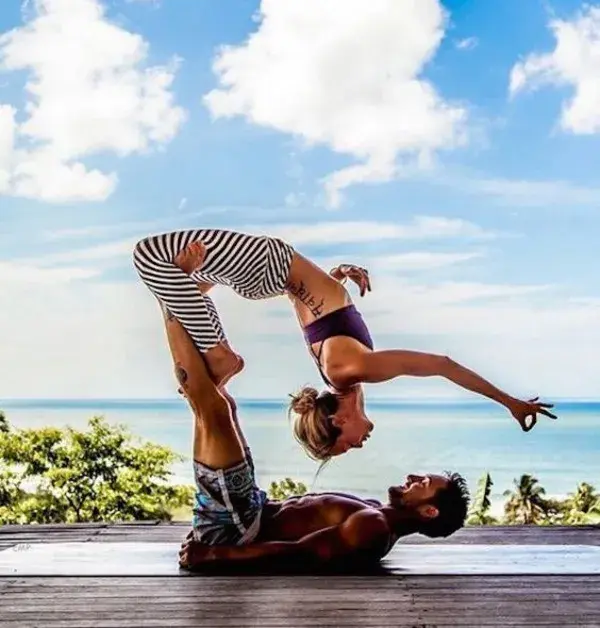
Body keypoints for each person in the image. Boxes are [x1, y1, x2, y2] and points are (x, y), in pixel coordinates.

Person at [133, 228, 557, 464]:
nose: (356, 446)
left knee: (149, 257)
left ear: (338, 423)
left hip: (267, 264)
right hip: (266, 272)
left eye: (343, 446)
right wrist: (333, 278)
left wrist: (508, 402)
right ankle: (211, 343)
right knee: (172, 276)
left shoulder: (347, 371)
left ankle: (219, 355)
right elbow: (308, 299)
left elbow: (442, 364)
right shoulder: (336, 371)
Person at [156, 296, 470, 571]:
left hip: (239, 529)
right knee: (220, 406)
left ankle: (170, 299)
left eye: (423, 484)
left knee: (214, 409)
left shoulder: (374, 528)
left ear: (429, 511)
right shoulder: (374, 512)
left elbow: (302, 553)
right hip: (245, 513)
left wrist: (214, 554)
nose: (414, 477)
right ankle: (174, 302)